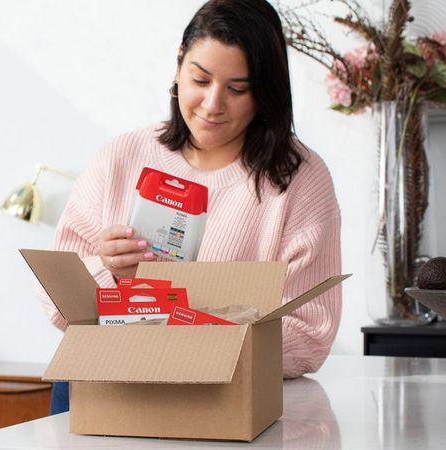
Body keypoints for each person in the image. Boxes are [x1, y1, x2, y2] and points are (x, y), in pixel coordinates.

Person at [41, 0, 342, 415]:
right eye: (200, 79)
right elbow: (53, 298)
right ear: (179, 66)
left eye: (237, 89)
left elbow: (310, 335)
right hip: (103, 389)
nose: (212, 104)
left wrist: (184, 322)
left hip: (220, 401)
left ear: (266, 90)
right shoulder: (122, 157)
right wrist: (111, 277)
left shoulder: (300, 181)